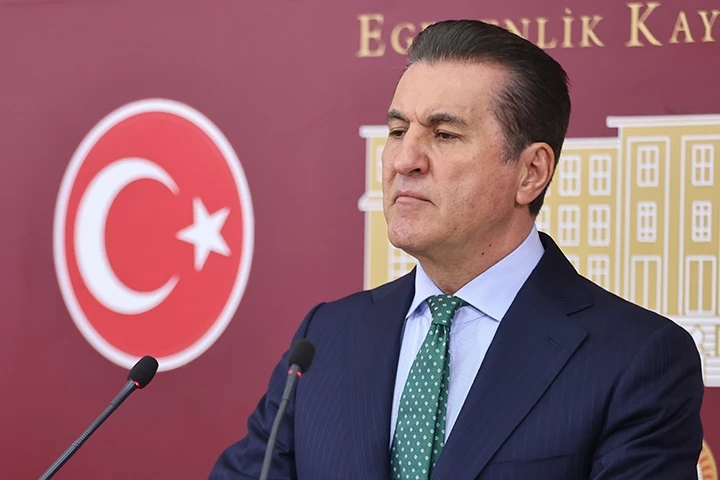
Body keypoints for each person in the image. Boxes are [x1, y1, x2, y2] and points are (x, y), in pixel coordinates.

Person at [208, 19, 704, 479]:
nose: (404, 159)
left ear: (530, 173)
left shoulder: (636, 359)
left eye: (444, 135)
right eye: (397, 131)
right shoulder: (327, 337)